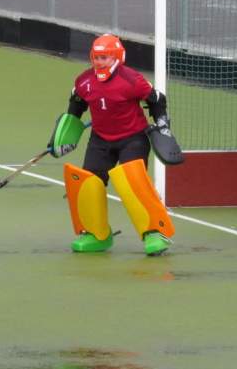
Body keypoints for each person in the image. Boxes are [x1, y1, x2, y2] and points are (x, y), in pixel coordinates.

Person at [48, 34, 174, 256]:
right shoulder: (84, 82)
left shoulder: (132, 81)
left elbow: (156, 99)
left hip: (133, 138)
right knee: (88, 183)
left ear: (117, 57)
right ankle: (97, 235)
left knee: (133, 183)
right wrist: (64, 136)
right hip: (100, 140)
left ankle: (154, 233)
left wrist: (162, 125)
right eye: (96, 57)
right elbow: (76, 108)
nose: (99, 62)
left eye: (104, 57)